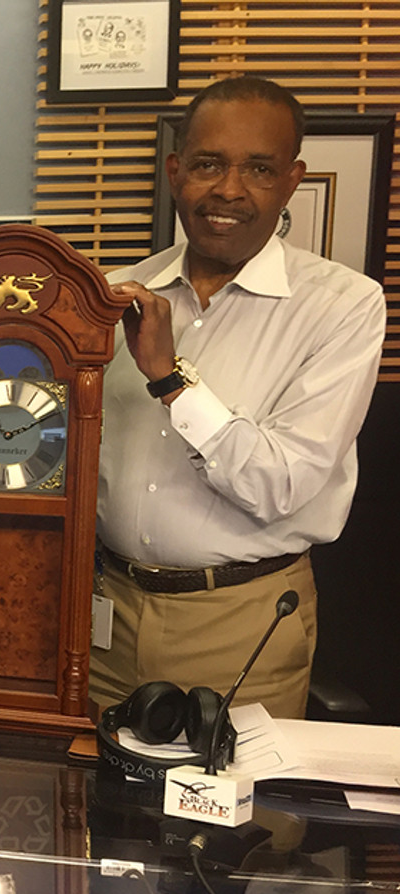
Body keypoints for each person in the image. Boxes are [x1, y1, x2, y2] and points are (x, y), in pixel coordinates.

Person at [97, 76, 386, 719]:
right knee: (88, 808)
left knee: (235, 818)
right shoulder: (114, 294)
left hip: (242, 621)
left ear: (291, 180)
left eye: (259, 168)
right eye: (208, 164)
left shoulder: (342, 306)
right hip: (101, 618)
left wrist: (171, 380)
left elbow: (280, 484)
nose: (229, 189)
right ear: (176, 172)